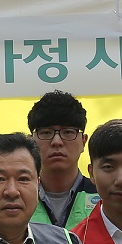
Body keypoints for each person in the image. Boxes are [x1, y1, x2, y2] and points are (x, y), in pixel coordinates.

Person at [27, 90, 100, 228]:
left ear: (83, 141)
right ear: (32, 142)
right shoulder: (17, 197)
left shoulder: (104, 196)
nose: (57, 141)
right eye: (46, 133)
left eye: (68, 132)